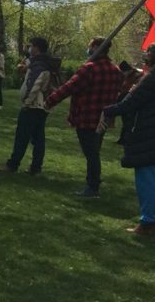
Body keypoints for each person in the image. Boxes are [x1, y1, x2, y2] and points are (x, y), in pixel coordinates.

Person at [102, 41, 155, 238]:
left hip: (147, 134)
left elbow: (130, 104)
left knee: (146, 182)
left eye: (148, 53)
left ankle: (147, 223)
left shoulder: (152, 80)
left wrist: (105, 110)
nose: (145, 57)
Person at [44, 37, 124, 197]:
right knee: (95, 150)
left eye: (90, 46)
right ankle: (94, 181)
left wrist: (50, 101)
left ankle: (92, 186)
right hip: (104, 117)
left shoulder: (89, 69)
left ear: (94, 47)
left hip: (86, 115)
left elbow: (69, 87)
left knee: (91, 153)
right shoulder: (115, 70)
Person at [0, 38, 58, 174]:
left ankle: (12, 165)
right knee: (38, 138)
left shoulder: (39, 65)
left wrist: (26, 103)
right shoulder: (47, 63)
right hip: (43, 106)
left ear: (36, 48)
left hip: (33, 106)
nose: (29, 48)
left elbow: (33, 87)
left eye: (31, 46)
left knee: (22, 137)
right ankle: (35, 167)